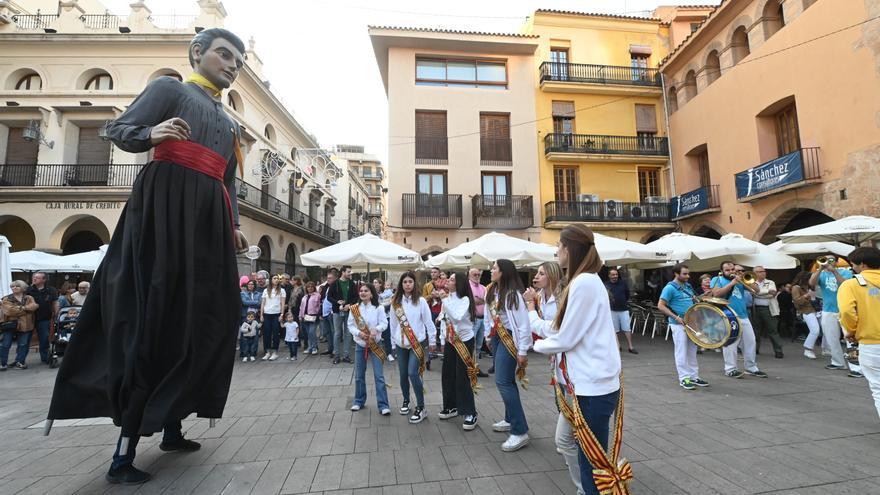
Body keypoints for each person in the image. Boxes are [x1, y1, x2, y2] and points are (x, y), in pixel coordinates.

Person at [47, 27, 248, 485]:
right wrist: (151, 132)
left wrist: (233, 224)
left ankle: (173, 425)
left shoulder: (231, 123)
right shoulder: (169, 88)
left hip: (208, 219)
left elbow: (229, 179)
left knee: (200, 319)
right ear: (198, 53)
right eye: (224, 54)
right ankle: (125, 452)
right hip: (164, 208)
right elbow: (117, 129)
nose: (232, 64)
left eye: (238, 60)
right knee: (153, 316)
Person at [533, 225, 626, 495]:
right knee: (589, 458)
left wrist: (533, 345)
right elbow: (563, 330)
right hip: (591, 384)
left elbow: (566, 338)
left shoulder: (584, 282)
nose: (556, 251)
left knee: (592, 465)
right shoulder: (586, 280)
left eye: (559, 245)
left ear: (570, 248)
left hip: (593, 387)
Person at [525, 261, 583, 494]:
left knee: (566, 432)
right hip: (559, 367)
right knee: (562, 407)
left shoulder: (563, 299)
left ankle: (584, 484)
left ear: (551, 275)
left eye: (540, 273)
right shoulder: (541, 296)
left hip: (573, 370)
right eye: (536, 273)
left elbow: (555, 329)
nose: (536, 277)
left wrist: (530, 308)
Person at [486, 259, 531, 452]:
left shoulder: (513, 295)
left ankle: (520, 431)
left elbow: (523, 324)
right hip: (497, 337)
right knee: (507, 381)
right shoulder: (493, 291)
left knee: (502, 381)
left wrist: (522, 350)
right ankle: (510, 418)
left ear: (503, 272)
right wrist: (489, 335)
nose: (491, 270)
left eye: (494, 268)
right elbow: (490, 316)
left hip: (510, 338)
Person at [837, 247, 880, 418]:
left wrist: (851, 331)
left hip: (871, 343)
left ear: (862, 265)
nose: (852, 268)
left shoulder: (852, 284)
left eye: (853, 264)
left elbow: (847, 312)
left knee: (878, 387)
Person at [389, 271, 436, 423]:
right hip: (401, 343)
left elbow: (428, 322)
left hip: (417, 343)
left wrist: (433, 340)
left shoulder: (421, 301)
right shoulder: (395, 302)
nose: (408, 284)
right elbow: (393, 324)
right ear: (401, 284)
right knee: (403, 374)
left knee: (413, 373)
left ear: (414, 284)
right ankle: (406, 400)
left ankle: (421, 407)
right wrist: (392, 342)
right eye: (405, 282)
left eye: (410, 281)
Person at [438, 272, 479, 431]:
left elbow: (457, 317)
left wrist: (443, 300)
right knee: (447, 374)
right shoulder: (447, 299)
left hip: (464, 341)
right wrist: (442, 339)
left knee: (463, 376)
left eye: (452, 279)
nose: (448, 281)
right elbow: (444, 320)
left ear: (459, 283)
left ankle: (470, 412)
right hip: (450, 340)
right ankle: (451, 406)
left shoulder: (465, 299)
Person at [712, 262, 767, 379]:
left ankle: (751, 367)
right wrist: (732, 283)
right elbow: (716, 294)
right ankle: (730, 369)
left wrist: (745, 280)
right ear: (722, 271)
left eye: (732, 269)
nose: (731, 271)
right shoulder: (717, 279)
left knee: (750, 341)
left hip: (743, 315)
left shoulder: (740, 279)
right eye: (727, 270)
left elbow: (756, 290)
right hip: (728, 316)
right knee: (730, 343)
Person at [658, 264, 709, 391]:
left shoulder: (688, 286)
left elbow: (693, 300)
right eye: (685, 274)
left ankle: (694, 377)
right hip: (678, 324)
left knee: (692, 351)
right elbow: (661, 305)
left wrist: (701, 298)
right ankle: (684, 378)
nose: (688, 276)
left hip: (692, 323)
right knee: (681, 352)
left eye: (688, 273)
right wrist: (676, 317)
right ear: (676, 274)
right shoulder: (669, 288)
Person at [810, 256, 862, 377]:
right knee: (830, 338)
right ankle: (838, 362)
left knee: (851, 340)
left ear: (837, 262)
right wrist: (819, 269)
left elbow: (844, 284)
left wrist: (833, 271)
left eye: (832, 259)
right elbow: (812, 283)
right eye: (826, 259)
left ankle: (856, 368)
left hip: (845, 310)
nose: (828, 261)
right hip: (828, 310)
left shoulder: (846, 272)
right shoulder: (821, 274)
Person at [348, 283, 390, 415]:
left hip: (375, 344)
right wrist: (359, 333)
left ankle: (383, 405)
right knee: (359, 376)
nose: (363, 293)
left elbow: (384, 323)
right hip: (360, 345)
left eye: (366, 291)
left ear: (371, 293)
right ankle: (358, 401)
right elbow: (350, 325)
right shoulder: (354, 308)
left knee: (379, 376)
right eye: (361, 291)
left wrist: (376, 330)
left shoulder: (379, 308)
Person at [0, 280, 39, 371]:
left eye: (17, 286)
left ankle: (20, 362)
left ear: (23, 288)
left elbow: (34, 307)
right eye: (12, 286)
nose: (14, 288)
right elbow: (9, 311)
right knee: (5, 345)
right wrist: (25, 309)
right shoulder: (6, 298)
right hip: (9, 324)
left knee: (23, 344)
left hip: (26, 325)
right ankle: (3, 363)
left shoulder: (29, 298)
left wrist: (21, 308)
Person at [26, 272, 58, 365]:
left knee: (44, 339)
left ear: (44, 280)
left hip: (44, 318)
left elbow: (55, 303)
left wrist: (56, 314)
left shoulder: (51, 290)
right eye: (34, 277)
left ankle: (45, 358)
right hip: (29, 318)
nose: (34, 279)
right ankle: (20, 360)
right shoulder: (28, 289)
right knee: (25, 340)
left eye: (37, 278)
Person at [752, 266, 784, 358]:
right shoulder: (751, 282)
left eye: (764, 271)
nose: (763, 273)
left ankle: (778, 351)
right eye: (759, 271)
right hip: (755, 309)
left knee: (773, 330)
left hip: (769, 309)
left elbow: (772, 294)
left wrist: (757, 294)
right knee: (755, 331)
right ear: (754, 273)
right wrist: (766, 292)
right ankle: (755, 350)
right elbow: (753, 293)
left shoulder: (770, 282)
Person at [329, 265, 358, 364]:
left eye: (350, 272)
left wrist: (350, 305)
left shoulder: (352, 283)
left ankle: (346, 355)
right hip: (337, 312)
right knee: (337, 333)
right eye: (348, 272)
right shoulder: (335, 283)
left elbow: (356, 297)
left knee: (348, 334)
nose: (350, 273)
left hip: (349, 311)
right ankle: (336, 355)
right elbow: (329, 297)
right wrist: (337, 302)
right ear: (343, 272)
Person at [606, 268, 637, 354]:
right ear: (609, 276)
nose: (615, 276)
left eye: (616, 274)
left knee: (627, 328)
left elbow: (627, 295)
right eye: (613, 275)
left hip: (623, 309)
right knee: (615, 329)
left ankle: (630, 346)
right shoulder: (606, 285)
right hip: (612, 310)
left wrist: (623, 301)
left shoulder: (623, 283)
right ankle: (618, 346)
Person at [792, 272, 821, 359]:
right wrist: (806, 295)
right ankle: (808, 349)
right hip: (806, 311)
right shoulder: (796, 288)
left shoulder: (810, 286)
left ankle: (826, 349)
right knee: (815, 330)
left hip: (816, 310)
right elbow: (797, 303)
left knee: (826, 330)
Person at [260, 275, 286, 361]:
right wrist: (261, 315)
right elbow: (263, 303)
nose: (276, 280)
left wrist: (282, 315)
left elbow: (282, 303)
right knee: (266, 333)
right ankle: (267, 352)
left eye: (277, 279)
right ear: (271, 280)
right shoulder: (265, 290)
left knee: (275, 333)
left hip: (276, 314)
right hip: (267, 314)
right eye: (274, 278)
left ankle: (275, 352)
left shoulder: (282, 290)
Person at [468, 268, 489, 366]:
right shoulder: (467, 287)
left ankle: (475, 365)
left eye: (478, 275)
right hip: (473, 319)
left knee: (479, 344)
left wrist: (479, 300)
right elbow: (472, 301)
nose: (477, 276)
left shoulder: (483, 288)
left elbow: (488, 301)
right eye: (474, 275)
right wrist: (481, 300)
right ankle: (469, 365)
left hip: (483, 319)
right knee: (471, 344)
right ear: (469, 275)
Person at [299, 281, 322, 355]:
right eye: (308, 287)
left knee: (312, 332)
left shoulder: (317, 295)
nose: (310, 288)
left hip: (313, 316)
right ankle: (310, 347)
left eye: (312, 286)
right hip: (305, 316)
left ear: (314, 287)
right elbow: (301, 307)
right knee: (308, 333)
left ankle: (314, 347)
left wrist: (319, 314)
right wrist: (300, 316)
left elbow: (319, 305)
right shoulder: (304, 297)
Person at [375, 278, 395, 362]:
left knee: (387, 336)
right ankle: (377, 353)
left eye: (376, 282)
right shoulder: (373, 293)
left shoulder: (388, 293)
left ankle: (389, 353)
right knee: (377, 336)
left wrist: (383, 306)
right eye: (374, 282)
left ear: (380, 284)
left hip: (386, 316)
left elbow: (391, 303)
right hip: (376, 317)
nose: (374, 284)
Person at [319, 270, 337, 356]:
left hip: (331, 312)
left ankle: (335, 349)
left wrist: (332, 311)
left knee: (334, 332)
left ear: (335, 278)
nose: (328, 280)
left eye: (330, 278)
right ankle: (330, 348)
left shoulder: (336, 287)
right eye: (327, 278)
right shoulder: (326, 287)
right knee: (327, 332)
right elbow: (323, 300)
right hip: (325, 312)